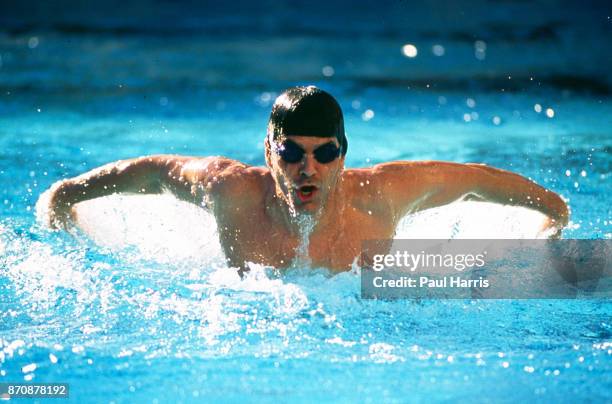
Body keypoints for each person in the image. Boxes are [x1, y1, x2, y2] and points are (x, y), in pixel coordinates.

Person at [42, 86, 569, 271]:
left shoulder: (382, 196)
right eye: (291, 152)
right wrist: (66, 195)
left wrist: (554, 214)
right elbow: (152, 172)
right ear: (268, 154)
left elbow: (476, 179)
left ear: (343, 157)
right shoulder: (230, 190)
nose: (307, 168)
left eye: (324, 154)